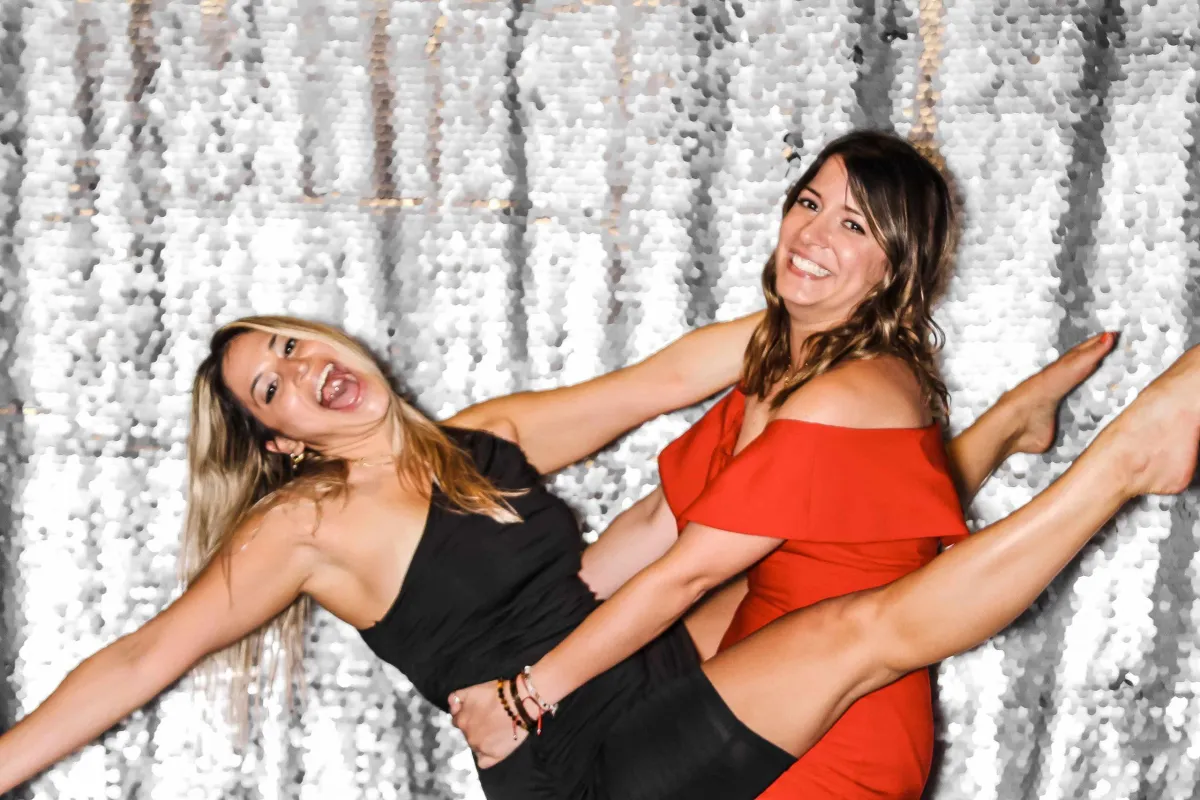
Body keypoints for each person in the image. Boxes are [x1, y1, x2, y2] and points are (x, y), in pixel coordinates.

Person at [0, 160, 1139, 800]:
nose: (301, 372)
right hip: (563, 747)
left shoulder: (480, 439)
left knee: (792, 475)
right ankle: (1089, 455)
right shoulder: (305, 523)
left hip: (650, 664)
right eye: (272, 388)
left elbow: (669, 380)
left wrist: (833, 287)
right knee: (828, 583)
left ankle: (997, 437)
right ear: (282, 442)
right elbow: (144, 655)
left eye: (293, 345)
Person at [444, 129, 1140, 800]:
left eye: (854, 225)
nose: (812, 234)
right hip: (750, 697)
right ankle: (1013, 424)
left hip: (829, 729)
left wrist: (526, 696)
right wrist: (527, 636)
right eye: (810, 203)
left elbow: (691, 573)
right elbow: (659, 518)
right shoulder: (786, 367)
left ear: (896, 268)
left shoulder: (847, 395)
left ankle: (1102, 447)